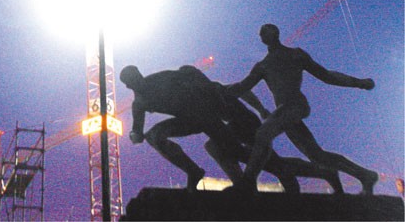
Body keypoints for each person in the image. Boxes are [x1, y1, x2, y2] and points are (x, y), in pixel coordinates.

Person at [226, 23, 378, 194]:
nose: (266, 35)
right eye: (263, 33)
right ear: (262, 39)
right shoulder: (263, 66)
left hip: (295, 105)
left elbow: (326, 75)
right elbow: (242, 87)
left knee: (263, 133)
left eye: (268, 31)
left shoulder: (295, 55)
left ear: (276, 33)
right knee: (317, 156)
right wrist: (220, 90)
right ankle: (365, 175)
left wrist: (359, 83)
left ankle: (247, 182)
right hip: (285, 112)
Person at [120, 64, 246, 192]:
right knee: (155, 136)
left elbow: (189, 71)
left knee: (236, 151)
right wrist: (135, 136)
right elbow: (136, 131)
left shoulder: (161, 78)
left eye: (137, 77)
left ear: (140, 75)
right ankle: (193, 171)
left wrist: (215, 98)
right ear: (129, 86)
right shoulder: (139, 103)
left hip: (205, 113)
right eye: (133, 81)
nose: (138, 82)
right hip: (187, 121)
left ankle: (255, 170)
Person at [204, 88, 344, 194]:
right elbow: (242, 91)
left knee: (215, 146)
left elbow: (241, 91)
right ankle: (323, 172)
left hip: (243, 123)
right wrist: (260, 109)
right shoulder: (203, 91)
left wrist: (260, 109)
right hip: (239, 124)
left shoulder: (207, 89)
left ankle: (245, 183)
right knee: (273, 163)